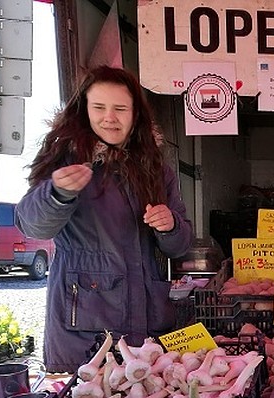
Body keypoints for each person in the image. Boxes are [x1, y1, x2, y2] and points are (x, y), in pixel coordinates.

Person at [16, 66, 194, 373]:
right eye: (99, 107)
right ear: (84, 111)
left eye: (120, 109)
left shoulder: (155, 168)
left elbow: (180, 247)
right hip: (84, 329)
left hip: (147, 322)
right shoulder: (65, 159)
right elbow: (32, 224)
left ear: (136, 115)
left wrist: (171, 225)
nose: (109, 117)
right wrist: (57, 193)